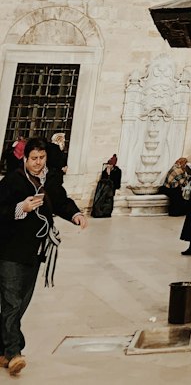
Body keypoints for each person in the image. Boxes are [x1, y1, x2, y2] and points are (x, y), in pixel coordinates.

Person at [0, 136, 88, 376]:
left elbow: (60, 201)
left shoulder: (50, 181)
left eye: (42, 158)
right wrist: (22, 208)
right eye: (34, 159)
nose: (38, 163)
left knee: (21, 304)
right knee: (11, 302)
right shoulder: (12, 181)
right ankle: (14, 353)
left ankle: (3, 348)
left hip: (35, 251)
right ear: (25, 159)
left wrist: (75, 215)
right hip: (9, 251)